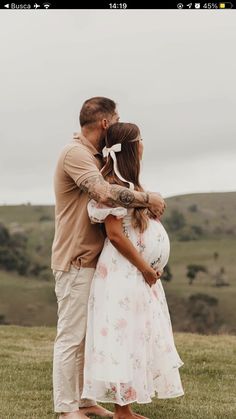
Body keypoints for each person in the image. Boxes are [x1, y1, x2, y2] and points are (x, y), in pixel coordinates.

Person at [51, 97, 166, 419]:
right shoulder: (75, 153)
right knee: (71, 338)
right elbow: (102, 193)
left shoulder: (96, 156)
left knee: (90, 338)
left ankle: (85, 402)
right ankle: (65, 409)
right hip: (76, 258)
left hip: (94, 262)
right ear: (105, 123)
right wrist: (147, 199)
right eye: (116, 120)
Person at [82, 122, 184, 419]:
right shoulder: (113, 187)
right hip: (122, 274)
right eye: (141, 140)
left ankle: (126, 407)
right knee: (122, 337)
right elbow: (115, 234)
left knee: (138, 335)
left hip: (139, 275)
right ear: (132, 147)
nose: (143, 146)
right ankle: (122, 410)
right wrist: (144, 268)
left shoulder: (134, 188)